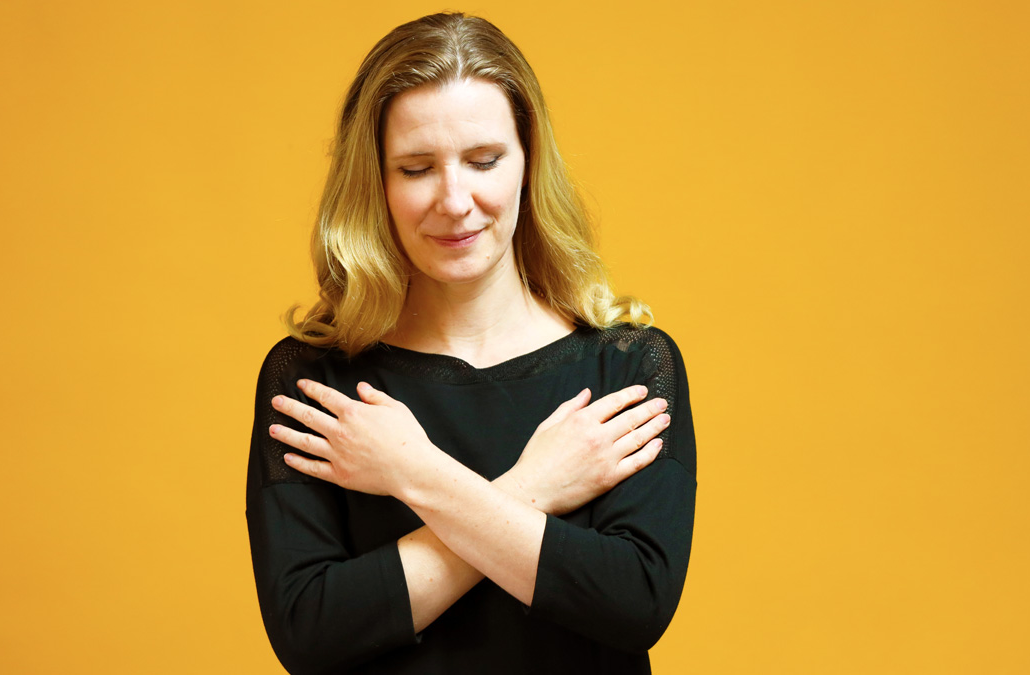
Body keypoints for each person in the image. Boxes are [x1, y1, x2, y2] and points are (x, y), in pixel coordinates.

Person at [245, 12, 696, 674]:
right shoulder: (313, 381)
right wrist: (534, 486)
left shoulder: (628, 366)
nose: (455, 199)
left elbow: (635, 604)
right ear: (377, 180)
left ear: (527, 162)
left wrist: (413, 471)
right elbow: (310, 630)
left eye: (483, 160)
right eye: (416, 167)